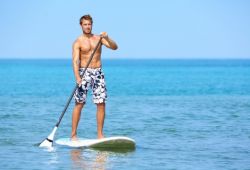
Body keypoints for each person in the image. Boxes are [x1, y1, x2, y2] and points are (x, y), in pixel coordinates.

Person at [71, 14, 118, 140]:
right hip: (83, 73)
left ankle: (100, 135)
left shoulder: (99, 38)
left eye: (89, 24)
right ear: (81, 25)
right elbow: (75, 61)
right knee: (79, 103)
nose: (87, 27)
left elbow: (115, 47)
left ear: (92, 25)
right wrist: (77, 77)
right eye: (85, 24)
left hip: (98, 72)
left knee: (101, 103)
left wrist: (108, 37)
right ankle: (74, 134)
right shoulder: (78, 42)